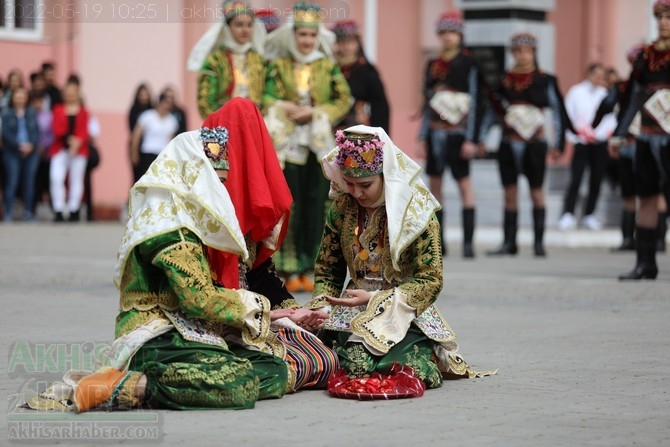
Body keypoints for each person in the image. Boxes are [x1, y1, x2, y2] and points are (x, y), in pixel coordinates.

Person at [24, 98, 337, 413]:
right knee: (236, 382)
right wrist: (267, 314)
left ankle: (179, 378)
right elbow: (198, 298)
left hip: (211, 328)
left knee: (304, 361)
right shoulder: (165, 223)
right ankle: (115, 385)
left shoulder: (216, 215)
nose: (222, 189)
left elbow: (257, 274)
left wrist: (297, 316)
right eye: (217, 181)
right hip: (161, 331)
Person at [306, 125, 495, 389]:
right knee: (334, 363)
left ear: (386, 175)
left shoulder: (416, 212)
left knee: (394, 368)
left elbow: (431, 279)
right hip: (351, 310)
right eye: (349, 183)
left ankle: (423, 348)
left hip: (404, 312)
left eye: (365, 185)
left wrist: (375, 298)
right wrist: (322, 306)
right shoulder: (342, 205)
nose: (357, 193)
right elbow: (328, 266)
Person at [262, 2, 352, 293]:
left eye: (311, 36)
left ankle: (311, 267)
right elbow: (265, 95)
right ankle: (287, 267)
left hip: (316, 144)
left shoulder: (326, 66)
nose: (307, 41)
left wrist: (316, 112)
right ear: (293, 35)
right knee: (289, 203)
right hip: (287, 146)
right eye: (302, 35)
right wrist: (284, 105)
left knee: (317, 204)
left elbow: (343, 99)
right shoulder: (278, 65)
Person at [486, 32, 572, 257]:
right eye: (517, 51)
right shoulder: (504, 80)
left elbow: (557, 111)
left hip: (534, 142)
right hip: (509, 141)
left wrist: (558, 142)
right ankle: (509, 243)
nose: (522, 55)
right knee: (510, 191)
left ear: (533, 52)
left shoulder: (545, 79)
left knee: (536, 191)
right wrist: (484, 137)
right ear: (512, 53)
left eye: (526, 50)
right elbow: (492, 110)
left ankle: (538, 243)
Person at [608, 0, 670, 280]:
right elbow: (632, 96)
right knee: (646, 196)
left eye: (669, 17)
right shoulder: (645, 55)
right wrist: (620, 133)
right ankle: (645, 263)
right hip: (647, 134)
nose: (664, 22)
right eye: (660, 17)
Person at [420, 12, 487, 258]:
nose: (448, 37)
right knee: (435, 186)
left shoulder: (470, 63)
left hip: (460, 134)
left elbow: (478, 100)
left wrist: (472, 139)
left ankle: (468, 243)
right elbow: (426, 102)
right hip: (436, 133)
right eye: (444, 32)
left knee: (464, 184)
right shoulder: (432, 64)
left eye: (453, 32)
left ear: (459, 35)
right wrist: (422, 135)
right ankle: (439, 243)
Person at [557, 63, 614, 231]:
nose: (599, 78)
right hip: (581, 141)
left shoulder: (605, 93)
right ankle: (568, 213)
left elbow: (610, 118)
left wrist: (599, 134)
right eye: (596, 74)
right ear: (589, 74)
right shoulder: (577, 91)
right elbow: (568, 114)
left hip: (599, 142)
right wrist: (576, 135)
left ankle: (589, 214)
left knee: (596, 179)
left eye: (602, 75)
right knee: (576, 178)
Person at [189, 0, 267, 116]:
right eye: (239, 25)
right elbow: (205, 102)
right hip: (224, 124)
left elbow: (266, 96)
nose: (245, 30)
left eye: (249, 25)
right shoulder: (215, 60)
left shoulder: (259, 60)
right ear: (227, 27)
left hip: (255, 121)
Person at [331, 19, 390, 133]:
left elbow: (380, 107)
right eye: (342, 42)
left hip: (359, 131)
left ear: (357, 43)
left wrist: (379, 136)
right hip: (332, 128)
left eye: (351, 42)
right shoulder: (330, 69)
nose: (347, 46)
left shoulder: (367, 71)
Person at [48, 79, 90, 222]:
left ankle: (73, 209)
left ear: (78, 94)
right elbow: (57, 128)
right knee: (56, 177)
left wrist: (76, 144)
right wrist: (70, 141)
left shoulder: (84, 112)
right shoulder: (57, 109)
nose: (70, 96)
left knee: (76, 179)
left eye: (73, 93)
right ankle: (58, 209)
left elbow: (84, 131)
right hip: (60, 149)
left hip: (79, 150)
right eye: (68, 93)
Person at [1, 86, 40, 222]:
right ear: (12, 97)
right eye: (17, 95)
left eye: (22, 95)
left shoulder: (31, 112)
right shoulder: (6, 113)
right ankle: (8, 213)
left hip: (31, 152)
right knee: (12, 181)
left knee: (29, 183)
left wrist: (31, 145)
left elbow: (36, 131)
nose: (20, 98)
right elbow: (5, 133)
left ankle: (28, 212)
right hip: (12, 151)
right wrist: (19, 146)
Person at [130, 92, 179, 179]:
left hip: (163, 155)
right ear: (160, 102)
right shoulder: (147, 116)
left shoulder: (172, 120)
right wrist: (134, 153)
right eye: (166, 102)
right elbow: (136, 135)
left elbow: (173, 139)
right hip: (147, 153)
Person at [127, 83, 154, 183]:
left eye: (145, 94)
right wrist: (134, 151)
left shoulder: (152, 110)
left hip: (148, 147)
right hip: (137, 145)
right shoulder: (134, 110)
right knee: (137, 175)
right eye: (141, 95)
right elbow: (132, 130)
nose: (143, 97)